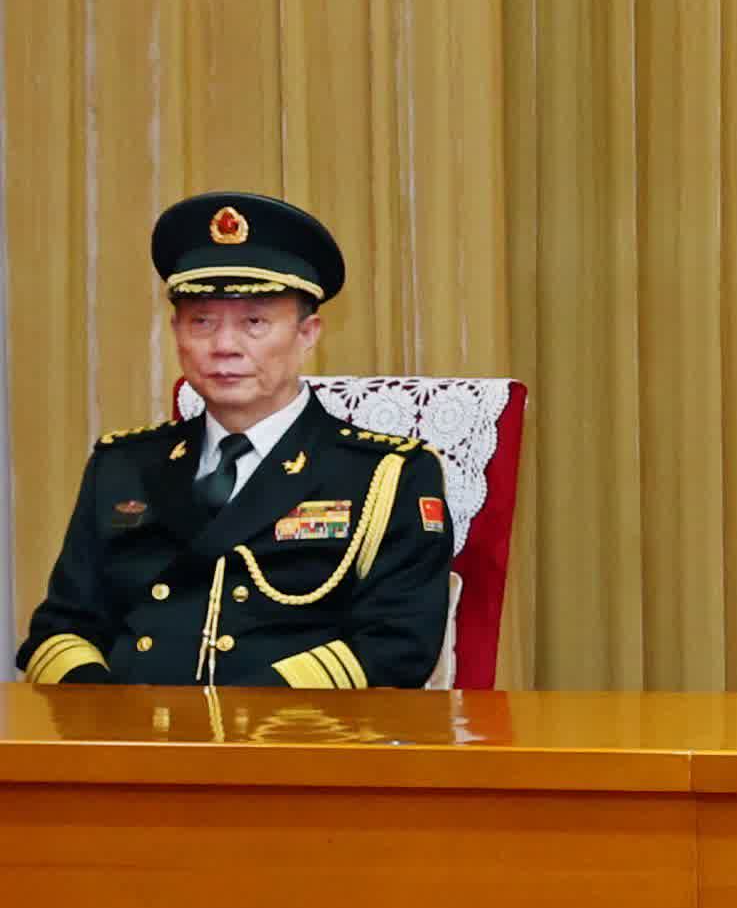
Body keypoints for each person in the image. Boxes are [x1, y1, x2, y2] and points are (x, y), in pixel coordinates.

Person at [21, 193, 458, 691]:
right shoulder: (123, 465)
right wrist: (105, 714)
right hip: (128, 731)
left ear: (308, 333)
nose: (224, 346)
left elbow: (397, 646)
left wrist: (230, 718)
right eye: (202, 321)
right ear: (176, 331)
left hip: (290, 732)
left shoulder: (384, 475)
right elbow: (61, 629)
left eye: (254, 322)